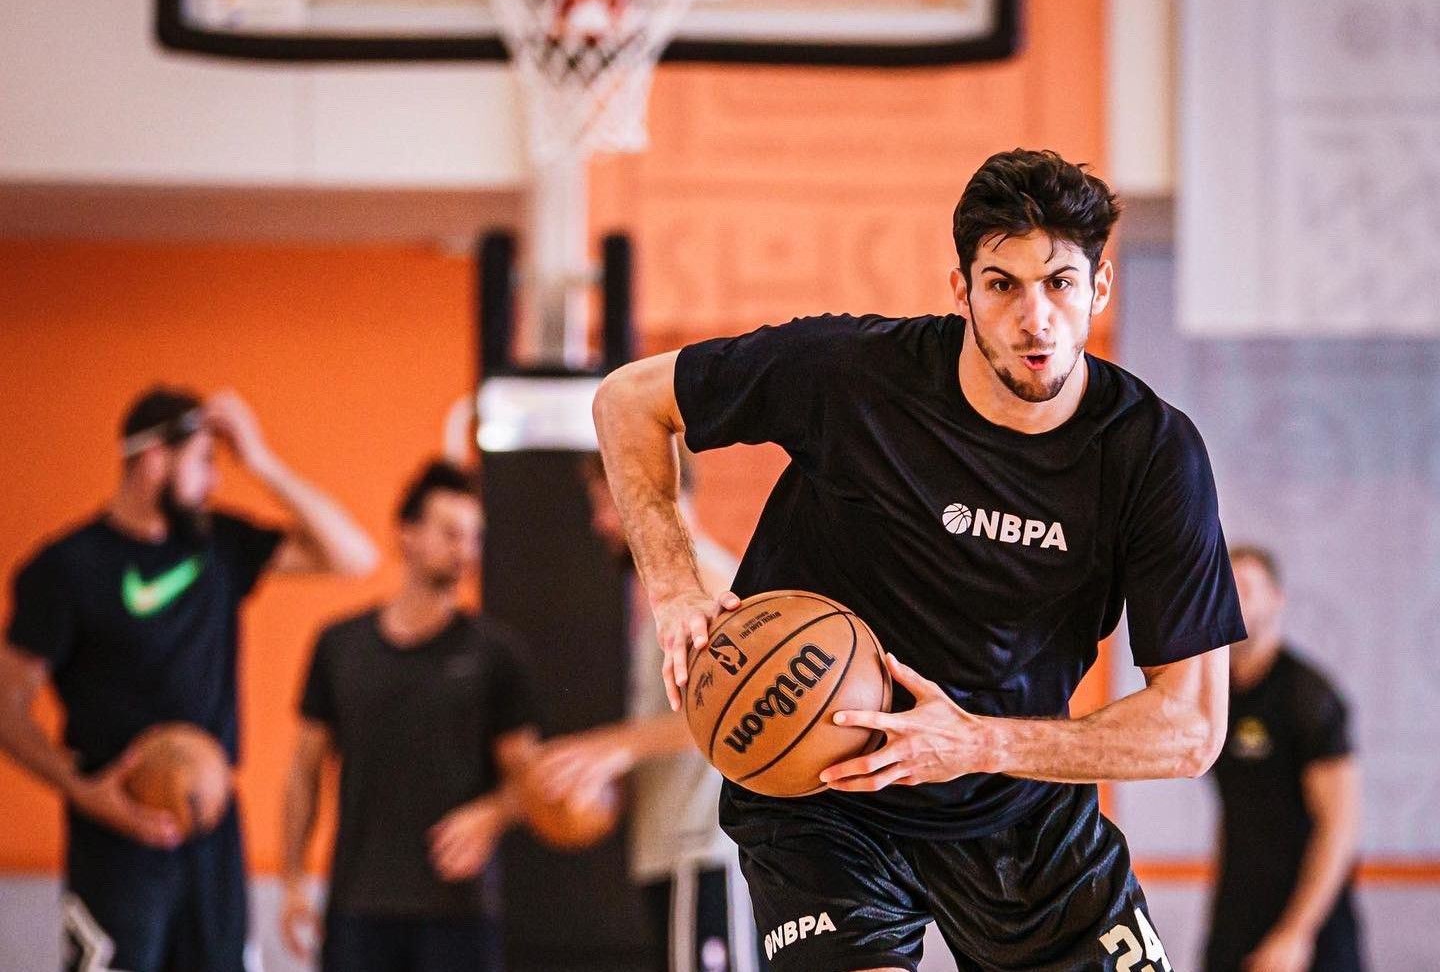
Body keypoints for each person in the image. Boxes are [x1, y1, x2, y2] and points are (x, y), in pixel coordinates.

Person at [591, 148, 1246, 971]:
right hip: (822, 787)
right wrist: (676, 587)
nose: (1035, 318)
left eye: (1059, 283)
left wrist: (978, 744)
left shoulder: (1151, 454)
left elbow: (1190, 728)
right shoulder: (853, 374)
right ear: (961, 290)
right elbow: (628, 401)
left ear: (1099, 287)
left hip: (1013, 793)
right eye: (1002, 284)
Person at [0, 385, 377, 972]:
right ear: (154, 459)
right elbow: (6, 708)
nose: (216, 481)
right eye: (204, 461)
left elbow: (355, 557)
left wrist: (261, 460)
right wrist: (83, 791)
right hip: (116, 838)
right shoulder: (66, 568)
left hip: (212, 833)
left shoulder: (218, 545)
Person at [279, 460, 540, 972]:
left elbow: (527, 777)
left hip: (459, 912)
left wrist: (492, 814)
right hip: (357, 908)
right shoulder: (340, 646)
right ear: (407, 534)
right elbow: (303, 771)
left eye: (473, 537)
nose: (465, 550)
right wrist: (292, 880)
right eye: (450, 533)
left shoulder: (496, 654)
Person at [532, 450, 761, 972]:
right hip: (674, 852)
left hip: (706, 850)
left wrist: (611, 747)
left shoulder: (710, 583)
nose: (599, 521)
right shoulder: (670, 595)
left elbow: (740, 707)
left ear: (659, 492)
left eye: (608, 503)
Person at [1204, 545, 1365, 972]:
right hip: (1237, 913)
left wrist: (1296, 932)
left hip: (1311, 924)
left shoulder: (1308, 697)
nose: (1233, 600)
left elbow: (1339, 827)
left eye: (1245, 588)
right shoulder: (1216, 696)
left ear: (1277, 598)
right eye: (1225, 588)